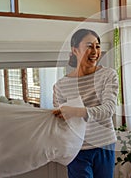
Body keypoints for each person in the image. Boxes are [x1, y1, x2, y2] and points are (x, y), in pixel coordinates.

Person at [52, 28, 119, 178]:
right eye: (89, 46)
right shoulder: (61, 86)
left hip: (104, 145)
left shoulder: (108, 75)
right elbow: (59, 121)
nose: (95, 51)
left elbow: (108, 109)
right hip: (76, 149)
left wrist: (77, 112)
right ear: (75, 50)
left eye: (97, 46)